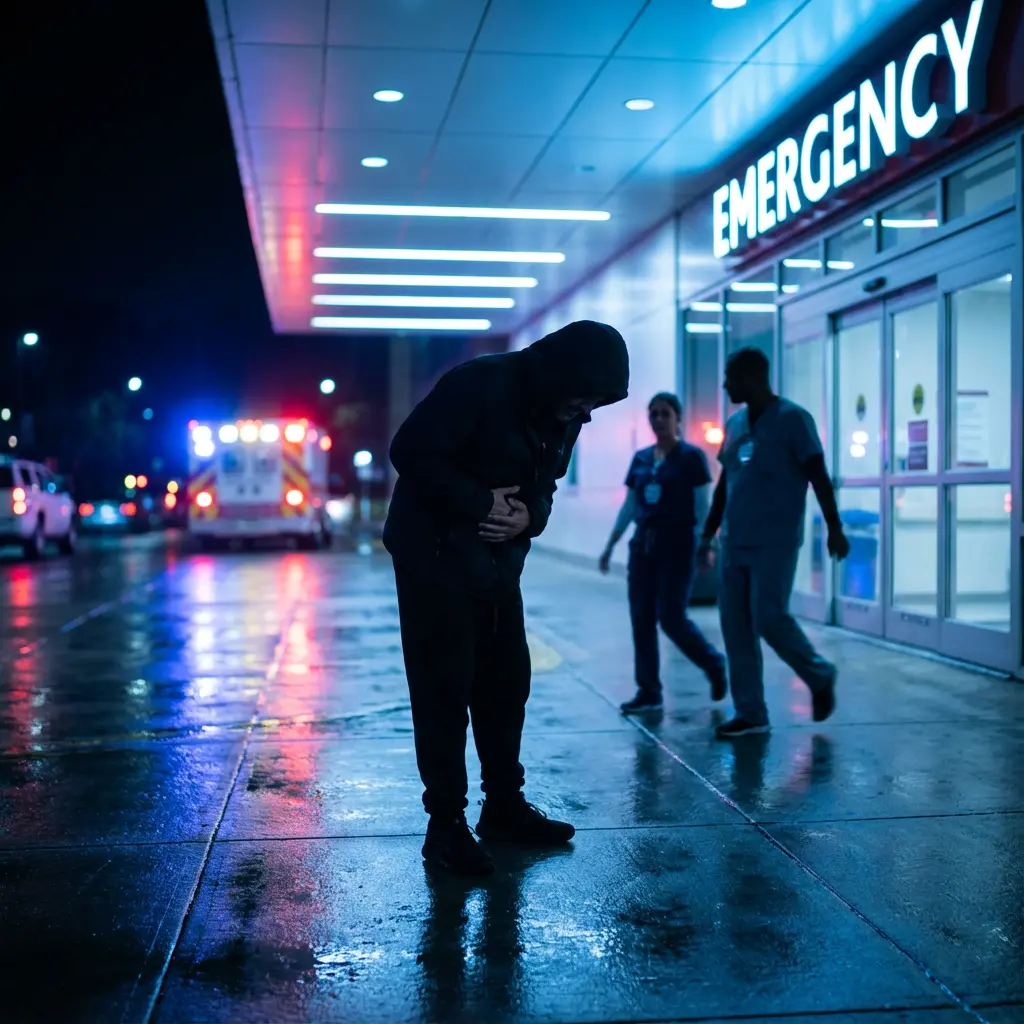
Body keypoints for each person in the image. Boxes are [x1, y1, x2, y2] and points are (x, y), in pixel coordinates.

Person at [384, 320, 629, 876]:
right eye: (585, 398)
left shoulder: (563, 412)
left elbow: (545, 485)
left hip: (497, 567)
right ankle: (445, 826)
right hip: (435, 560)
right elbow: (411, 451)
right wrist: (478, 503)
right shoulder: (480, 384)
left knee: (505, 684)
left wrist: (529, 517)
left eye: (597, 403)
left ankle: (504, 809)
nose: (588, 413)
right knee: (444, 690)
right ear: (560, 376)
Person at [699, 347, 850, 739]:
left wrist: (834, 527)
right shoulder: (734, 424)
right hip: (734, 541)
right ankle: (751, 713)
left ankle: (819, 675)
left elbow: (818, 475)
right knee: (735, 627)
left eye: (730, 376)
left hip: (775, 542)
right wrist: (707, 534)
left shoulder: (793, 420)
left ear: (752, 376)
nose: (725, 384)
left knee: (769, 618)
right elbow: (724, 485)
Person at [599, 392, 727, 714]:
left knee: (671, 618)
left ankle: (714, 664)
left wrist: (706, 545)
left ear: (677, 418)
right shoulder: (641, 459)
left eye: (664, 413)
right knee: (641, 618)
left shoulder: (692, 458)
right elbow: (631, 506)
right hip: (643, 547)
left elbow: (703, 506)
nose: (658, 420)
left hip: (678, 546)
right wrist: (610, 545)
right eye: (653, 414)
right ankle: (649, 691)